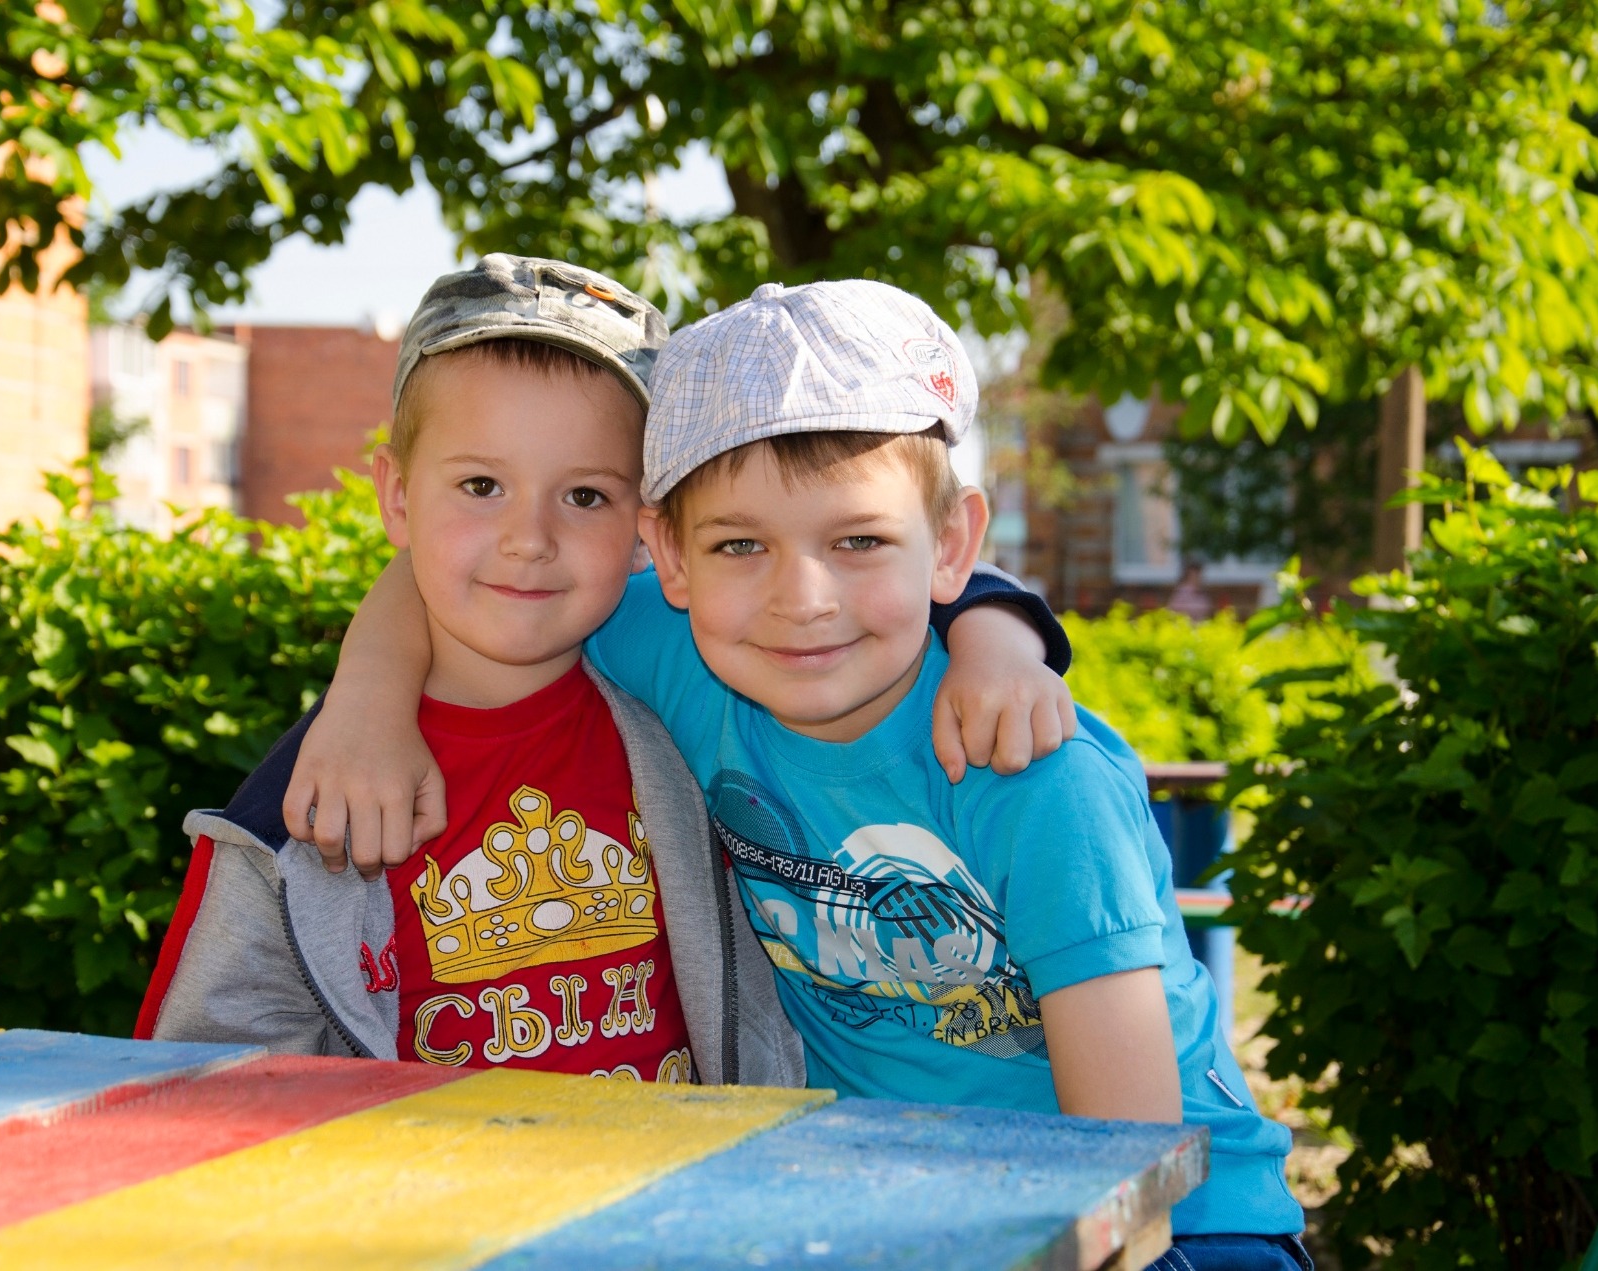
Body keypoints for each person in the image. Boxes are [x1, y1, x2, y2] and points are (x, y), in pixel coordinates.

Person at [298, 278, 1308, 1268]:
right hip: (895, 1204)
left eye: (858, 540)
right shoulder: (680, 653)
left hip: (1188, 1221)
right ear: (671, 558)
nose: (803, 599)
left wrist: (998, 634)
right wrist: (367, 698)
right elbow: (460, 579)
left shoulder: (1035, 775)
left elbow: (1125, 1182)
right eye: (740, 544)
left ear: (953, 543)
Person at [136, 257, 1073, 1090]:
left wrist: (995, 631)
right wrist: (369, 691)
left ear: (647, 531)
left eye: (586, 494)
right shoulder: (304, 805)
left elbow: (871, 555)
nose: (529, 538)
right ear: (395, 495)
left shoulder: (682, 684)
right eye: (480, 485)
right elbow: (198, 1087)